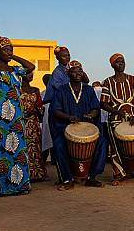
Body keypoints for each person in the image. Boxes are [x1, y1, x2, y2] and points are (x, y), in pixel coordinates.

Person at [101, 54, 134, 185]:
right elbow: (103, 103)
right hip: (116, 120)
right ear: (112, 65)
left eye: (123, 61)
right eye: (118, 62)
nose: (121, 64)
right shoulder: (108, 82)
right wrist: (117, 111)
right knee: (115, 145)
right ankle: (118, 174)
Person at [0, 36, 35, 196]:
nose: (9, 52)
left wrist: (12, 56)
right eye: (6, 50)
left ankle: (19, 186)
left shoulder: (16, 70)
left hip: (16, 117)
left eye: (11, 49)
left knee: (18, 152)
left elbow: (31, 66)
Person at [51, 61, 105, 190]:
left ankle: (92, 177)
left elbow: (96, 108)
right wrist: (68, 117)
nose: (78, 73)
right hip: (65, 127)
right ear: (68, 73)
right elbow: (56, 110)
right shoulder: (62, 90)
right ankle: (67, 178)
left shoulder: (88, 89)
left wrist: (91, 115)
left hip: (87, 127)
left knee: (102, 142)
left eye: (80, 71)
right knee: (59, 145)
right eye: (74, 71)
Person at [20, 71, 48, 182]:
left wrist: (36, 111)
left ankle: (37, 174)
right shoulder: (16, 89)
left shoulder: (35, 90)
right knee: (22, 147)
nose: (30, 76)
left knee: (35, 147)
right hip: (20, 122)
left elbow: (40, 108)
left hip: (33, 123)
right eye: (27, 74)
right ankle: (23, 175)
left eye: (31, 74)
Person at [41, 74, 54, 165]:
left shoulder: (57, 92)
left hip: (55, 120)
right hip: (45, 121)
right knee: (46, 141)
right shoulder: (42, 93)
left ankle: (54, 161)